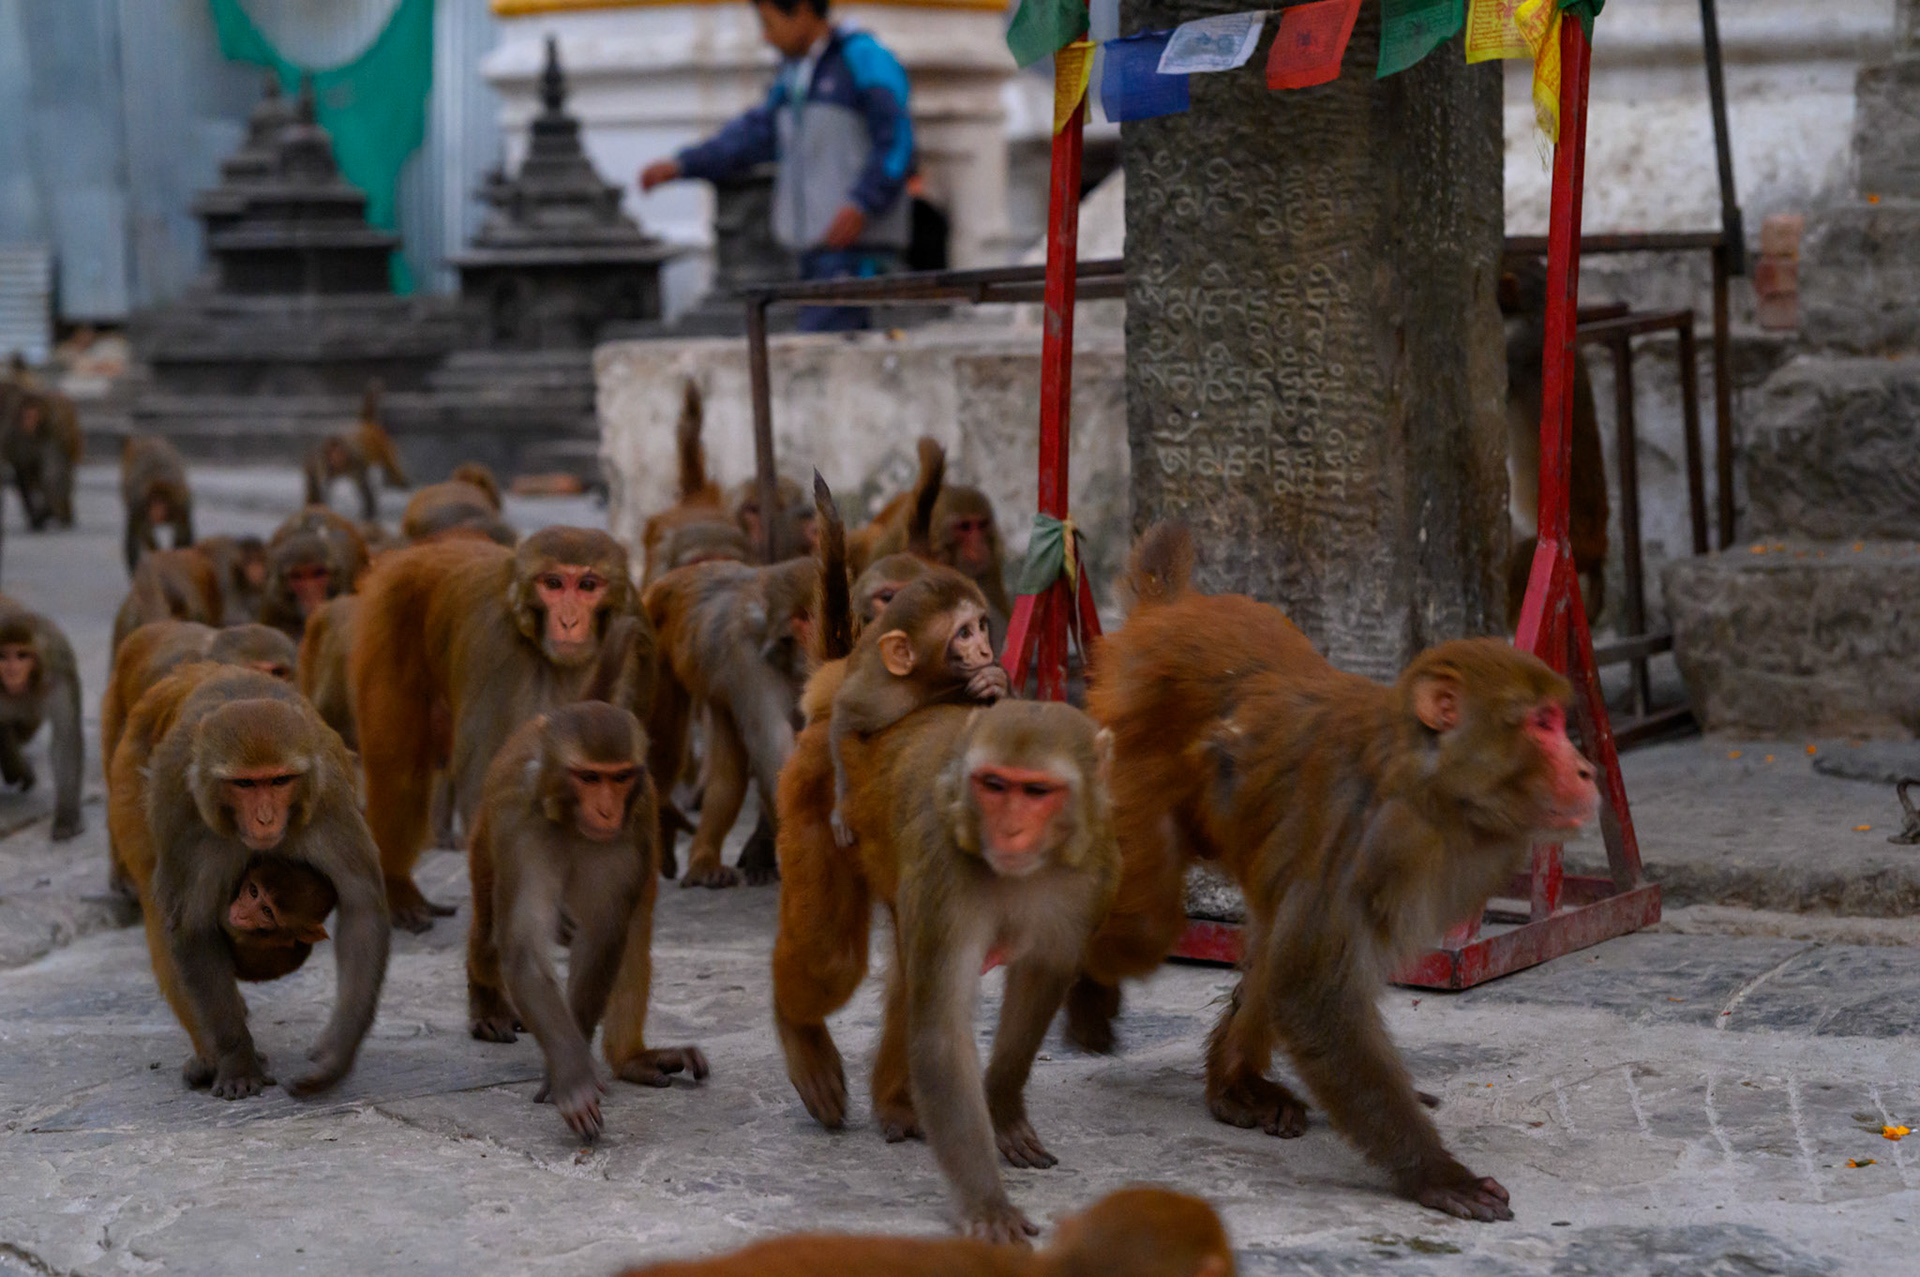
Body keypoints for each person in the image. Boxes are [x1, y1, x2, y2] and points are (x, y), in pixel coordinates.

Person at [639, 0, 913, 332]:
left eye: (769, 23)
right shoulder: (794, 77)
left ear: (802, 12)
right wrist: (683, 164)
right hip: (813, 253)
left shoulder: (864, 59)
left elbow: (897, 141)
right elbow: (752, 136)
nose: (766, 37)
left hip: (859, 255)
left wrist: (863, 203)